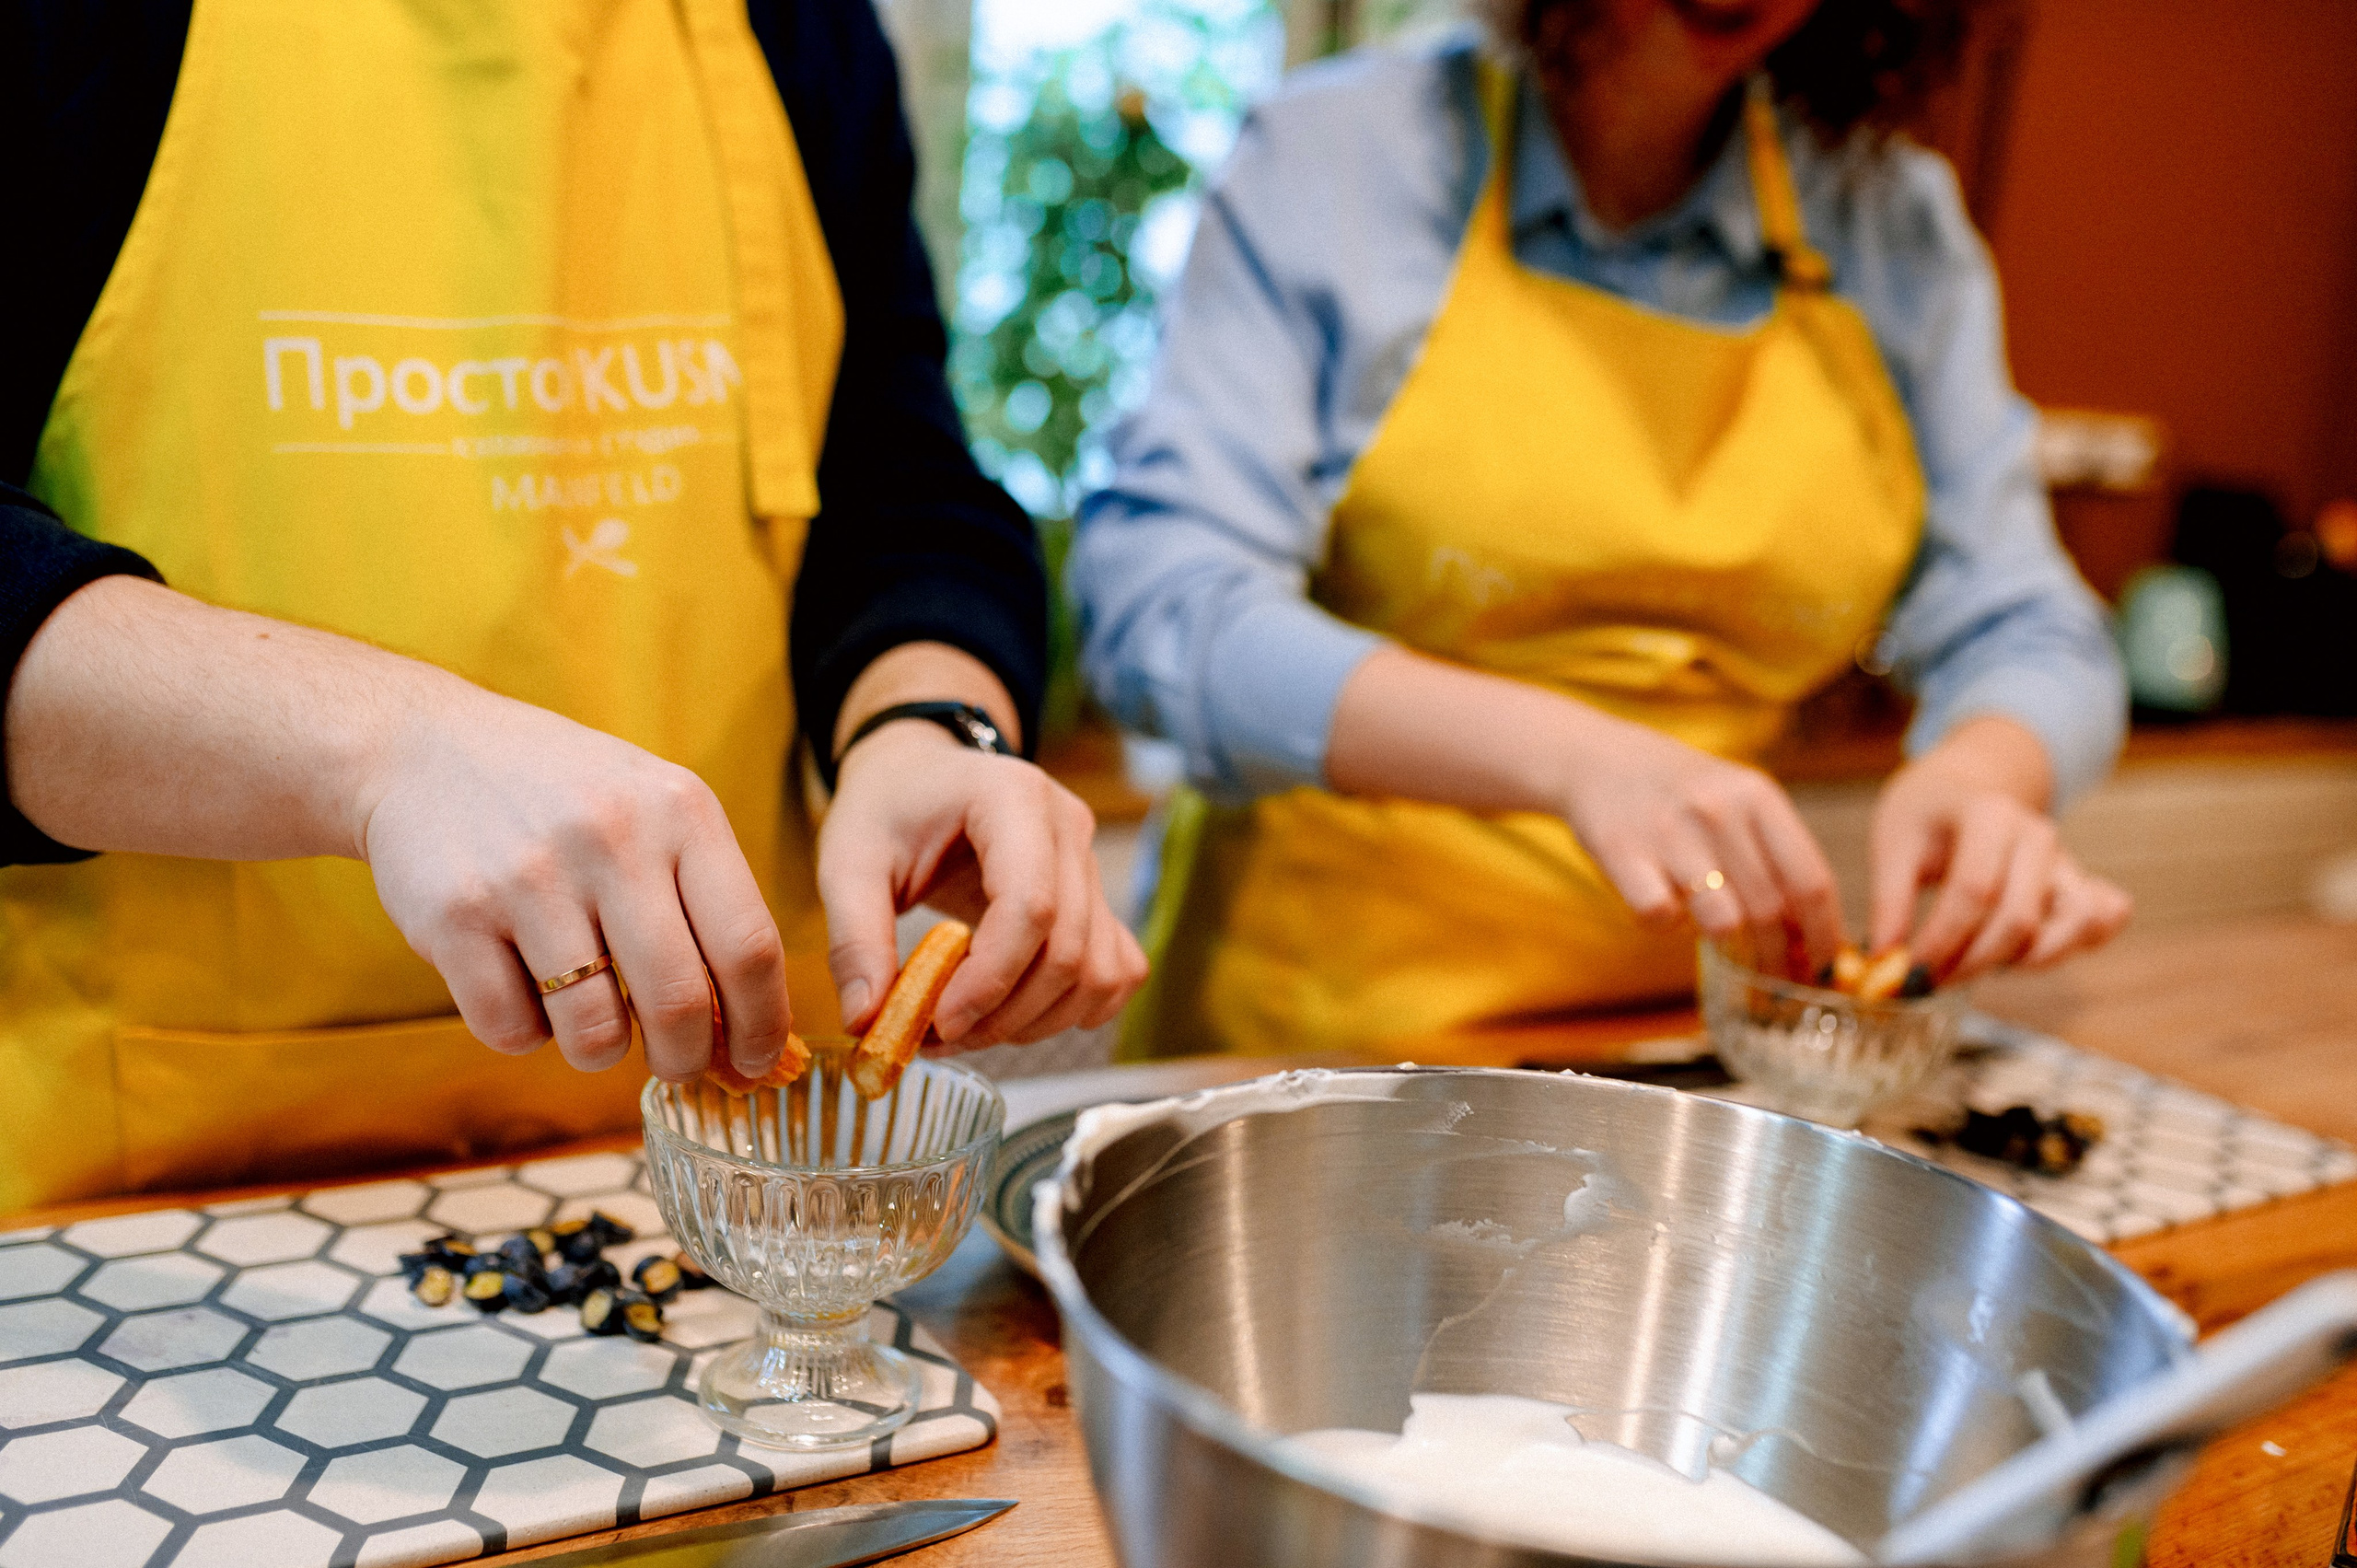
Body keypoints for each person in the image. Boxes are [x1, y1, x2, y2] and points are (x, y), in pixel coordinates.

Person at [0, 0, 1144, 1212]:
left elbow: (895, 477)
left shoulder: (800, 28)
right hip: (168, 1196)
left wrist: (924, 724)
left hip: (719, 1175)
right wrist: (384, 751)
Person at [1074, 0, 2131, 1062]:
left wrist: (1983, 775)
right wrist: (1577, 761)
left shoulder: (1891, 221)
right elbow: (1161, 609)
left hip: (1689, 1053)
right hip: (1316, 1046)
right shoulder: (1341, 154)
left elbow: (2033, 630)